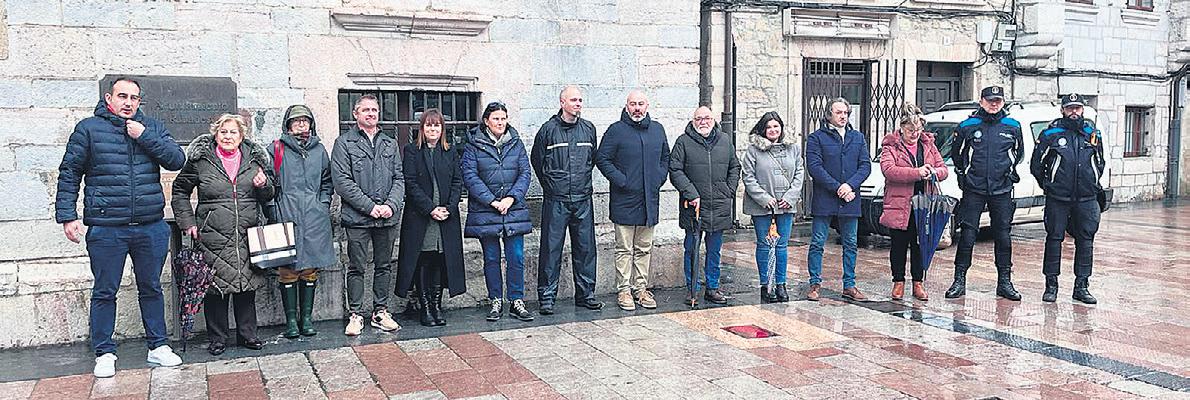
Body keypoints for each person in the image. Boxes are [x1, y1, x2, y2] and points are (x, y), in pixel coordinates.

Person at [56, 77, 185, 377]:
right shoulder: (88, 129)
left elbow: (176, 159)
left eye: (134, 98)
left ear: (140, 101)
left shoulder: (150, 127)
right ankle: (104, 352)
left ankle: (158, 346)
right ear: (109, 98)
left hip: (150, 225)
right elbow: (70, 172)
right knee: (105, 291)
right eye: (122, 96)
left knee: (151, 287)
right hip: (107, 227)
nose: (128, 102)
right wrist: (67, 216)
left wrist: (144, 136)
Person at [173, 114, 274, 356]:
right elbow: (180, 190)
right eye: (223, 132)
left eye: (233, 132)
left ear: (242, 136)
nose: (228, 137)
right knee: (215, 288)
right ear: (215, 134)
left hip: (247, 232)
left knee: (246, 286)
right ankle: (217, 338)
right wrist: (187, 221)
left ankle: (248, 335)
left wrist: (264, 185)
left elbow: (269, 195)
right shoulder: (201, 160)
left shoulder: (254, 160)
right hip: (212, 234)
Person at [331, 94, 405, 335]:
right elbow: (342, 182)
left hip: (387, 217)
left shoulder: (389, 143)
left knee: (384, 265)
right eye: (366, 110)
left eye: (374, 110)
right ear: (356, 114)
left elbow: (399, 178)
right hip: (358, 219)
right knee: (356, 267)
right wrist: (370, 207)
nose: (371, 113)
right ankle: (355, 314)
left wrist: (391, 205)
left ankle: (380, 311)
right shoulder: (344, 143)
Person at [945, 86, 1024, 301]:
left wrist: (1008, 172)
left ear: (1003, 102)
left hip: (1002, 188)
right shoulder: (967, 125)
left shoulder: (1013, 126)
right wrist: (965, 175)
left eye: (997, 100)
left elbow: (1018, 153)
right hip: (974, 188)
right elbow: (957, 155)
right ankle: (959, 280)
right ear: (981, 101)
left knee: (1003, 235)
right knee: (968, 234)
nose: (994, 104)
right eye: (990, 100)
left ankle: (1005, 282)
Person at [596, 90, 670, 311]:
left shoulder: (657, 129)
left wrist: (658, 178)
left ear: (647, 106)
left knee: (644, 248)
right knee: (624, 249)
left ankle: (641, 289)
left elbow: (665, 157)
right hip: (625, 199)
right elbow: (602, 158)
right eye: (633, 104)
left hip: (649, 199)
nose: (637, 108)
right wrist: (622, 180)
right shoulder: (616, 130)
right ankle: (624, 290)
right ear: (627, 106)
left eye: (640, 104)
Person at [531, 86, 603, 314]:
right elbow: (537, 161)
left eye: (580, 100)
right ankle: (547, 297)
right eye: (573, 100)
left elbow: (591, 160)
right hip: (557, 200)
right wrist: (552, 186)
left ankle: (586, 294)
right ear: (562, 102)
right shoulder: (548, 130)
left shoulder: (588, 129)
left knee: (586, 249)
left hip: (582, 198)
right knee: (551, 250)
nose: (578, 103)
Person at [462, 102, 535, 322]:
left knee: (516, 257)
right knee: (491, 258)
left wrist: (511, 198)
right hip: (487, 211)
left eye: (503, 118)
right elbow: (470, 176)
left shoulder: (516, 142)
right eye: (496, 119)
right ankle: (495, 299)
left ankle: (516, 300)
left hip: (513, 209)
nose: (500, 123)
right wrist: (492, 201)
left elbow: (525, 173)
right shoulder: (473, 145)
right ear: (486, 121)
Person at [395, 109, 466, 327]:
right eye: (428, 125)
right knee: (423, 259)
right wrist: (430, 208)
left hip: (446, 217)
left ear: (442, 129)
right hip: (421, 217)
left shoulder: (450, 151)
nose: (432, 129)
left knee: (439, 260)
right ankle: (425, 307)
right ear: (422, 128)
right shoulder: (412, 151)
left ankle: (436, 306)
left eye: (436, 125)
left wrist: (449, 207)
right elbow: (410, 183)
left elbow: (457, 182)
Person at [1031, 93, 1104, 304]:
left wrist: (1092, 181)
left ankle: (1082, 286)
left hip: (1086, 197)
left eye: (1077, 108)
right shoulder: (1050, 134)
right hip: (1058, 197)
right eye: (1070, 108)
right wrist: (1049, 185)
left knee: (1086, 240)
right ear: (1063, 110)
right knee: (1054, 239)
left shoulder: (1091, 133)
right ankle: (1051, 286)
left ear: (1082, 110)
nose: (1074, 111)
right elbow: (1037, 165)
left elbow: (1100, 162)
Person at [270, 105, 334, 338]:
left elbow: (327, 181)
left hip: (314, 216)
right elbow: (267, 182)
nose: (301, 124)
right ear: (288, 125)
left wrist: (322, 203)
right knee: (287, 268)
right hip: (285, 212)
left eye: (305, 121)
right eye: (296, 121)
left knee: (309, 268)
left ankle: (306, 319)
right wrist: (273, 210)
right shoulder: (276, 149)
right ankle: (291, 321)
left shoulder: (319, 150)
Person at [670, 105, 740, 306]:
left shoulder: (724, 140)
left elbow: (735, 166)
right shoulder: (683, 142)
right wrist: (691, 193)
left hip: (718, 204)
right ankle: (692, 288)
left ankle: (712, 287)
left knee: (714, 250)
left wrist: (729, 190)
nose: (703, 122)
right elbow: (675, 170)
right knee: (691, 249)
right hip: (693, 206)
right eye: (699, 118)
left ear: (713, 119)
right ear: (693, 121)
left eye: (707, 118)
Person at [879, 104, 949, 302]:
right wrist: (917, 173)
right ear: (902, 128)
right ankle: (898, 282)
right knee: (898, 245)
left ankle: (918, 283)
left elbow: (943, 169)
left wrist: (934, 172)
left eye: (918, 130)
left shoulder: (928, 145)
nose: (915, 134)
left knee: (920, 245)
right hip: (900, 204)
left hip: (924, 204)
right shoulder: (891, 146)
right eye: (911, 130)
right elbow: (889, 171)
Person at [805, 97, 871, 301]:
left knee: (850, 242)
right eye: (839, 112)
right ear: (829, 115)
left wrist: (849, 186)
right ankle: (815, 283)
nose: (843, 116)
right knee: (818, 242)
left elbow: (865, 166)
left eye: (846, 113)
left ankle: (849, 285)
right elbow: (814, 167)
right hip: (825, 198)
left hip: (850, 198)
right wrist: (838, 188)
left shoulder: (857, 137)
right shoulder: (816, 138)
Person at [740, 111, 804, 303]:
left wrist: (790, 197)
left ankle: (781, 284)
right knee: (764, 245)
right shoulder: (753, 151)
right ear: (763, 129)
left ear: (781, 128)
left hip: (785, 205)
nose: (773, 130)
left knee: (782, 246)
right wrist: (764, 198)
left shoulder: (794, 148)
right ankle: (766, 285)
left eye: (776, 126)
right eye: (768, 127)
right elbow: (748, 176)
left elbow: (799, 173)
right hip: (762, 207)